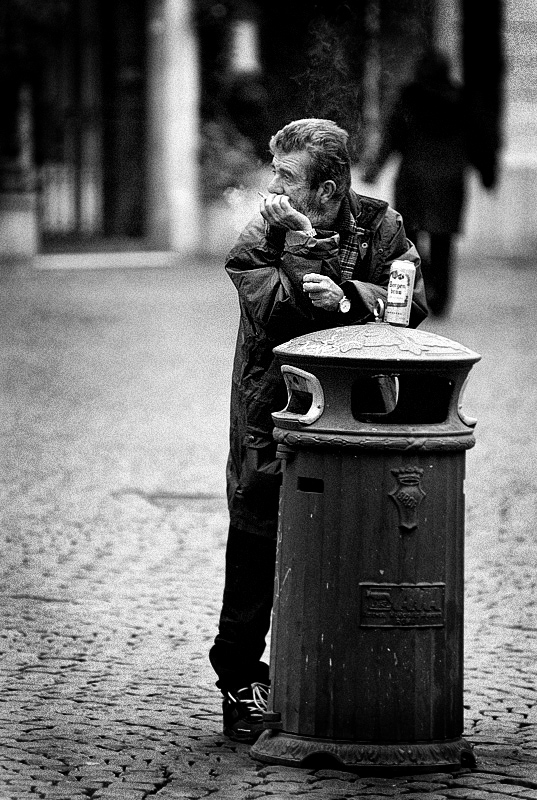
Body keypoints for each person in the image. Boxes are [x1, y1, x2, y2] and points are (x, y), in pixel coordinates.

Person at [209, 118, 428, 743]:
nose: (273, 187)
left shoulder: (382, 226)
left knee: (351, 540)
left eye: (287, 177)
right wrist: (304, 244)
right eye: (274, 173)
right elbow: (274, 309)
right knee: (256, 535)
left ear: (328, 189)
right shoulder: (265, 232)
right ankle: (240, 680)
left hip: (358, 418)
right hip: (270, 412)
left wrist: (349, 298)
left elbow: (411, 303)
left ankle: (339, 675)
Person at [362, 49, 470, 316]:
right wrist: (487, 172)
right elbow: (477, 137)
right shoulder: (460, 98)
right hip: (449, 180)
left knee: (409, 236)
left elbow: (392, 135)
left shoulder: (410, 96)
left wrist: (374, 169)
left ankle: (425, 281)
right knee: (443, 240)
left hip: (414, 178)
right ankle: (440, 300)